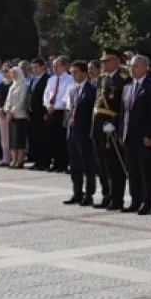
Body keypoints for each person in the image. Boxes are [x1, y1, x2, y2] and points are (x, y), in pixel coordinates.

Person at [119, 55, 151, 215]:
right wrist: (120, 131)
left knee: (146, 170)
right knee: (132, 170)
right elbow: (123, 112)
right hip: (129, 135)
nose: (131, 68)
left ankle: (147, 202)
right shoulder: (128, 87)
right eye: (130, 66)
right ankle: (135, 200)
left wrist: (150, 133)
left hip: (144, 136)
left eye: (135, 66)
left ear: (145, 68)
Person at [92, 49, 130, 210]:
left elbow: (123, 105)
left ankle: (117, 198)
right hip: (98, 122)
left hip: (111, 124)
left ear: (116, 61)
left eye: (107, 61)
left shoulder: (123, 80)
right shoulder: (102, 78)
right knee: (101, 163)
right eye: (102, 61)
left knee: (113, 163)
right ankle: (106, 195)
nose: (103, 64)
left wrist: (114, 123)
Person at [64, 60, 97, 205]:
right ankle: (77, 192)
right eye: (72, 73)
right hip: (73, 130)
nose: (74, 76)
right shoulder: (72, 89)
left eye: (76, 72)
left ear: (84, 73)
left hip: (85, 132)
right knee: (75, 164)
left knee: (87, 165)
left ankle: (89, 194)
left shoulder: (91, 89)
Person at [3, 66, 29, 168]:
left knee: (19, 140)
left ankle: (20, 160)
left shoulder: (23, 86)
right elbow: (8, 100)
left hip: (20, 115)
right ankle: (13, 160)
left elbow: (22, 101)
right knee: (13, 140)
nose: (12, 75)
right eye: (11, 73)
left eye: (14, 73)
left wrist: (12, 111)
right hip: (11, 116)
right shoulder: (12, 86)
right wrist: (6, 109)